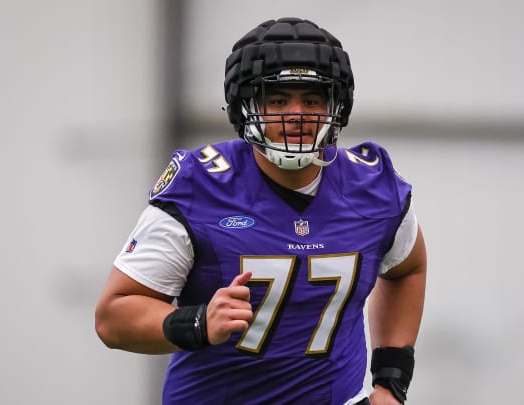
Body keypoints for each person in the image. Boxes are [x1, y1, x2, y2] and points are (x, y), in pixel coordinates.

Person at [95, 17, 427, 405]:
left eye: (312, 98)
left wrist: (390, 383)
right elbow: (113, 317)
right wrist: (198, 322)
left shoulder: (372, 187)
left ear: (336, 105)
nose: (297, 115)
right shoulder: (201, 185)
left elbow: (408, 268)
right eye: (279, 99)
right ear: (247, 105)